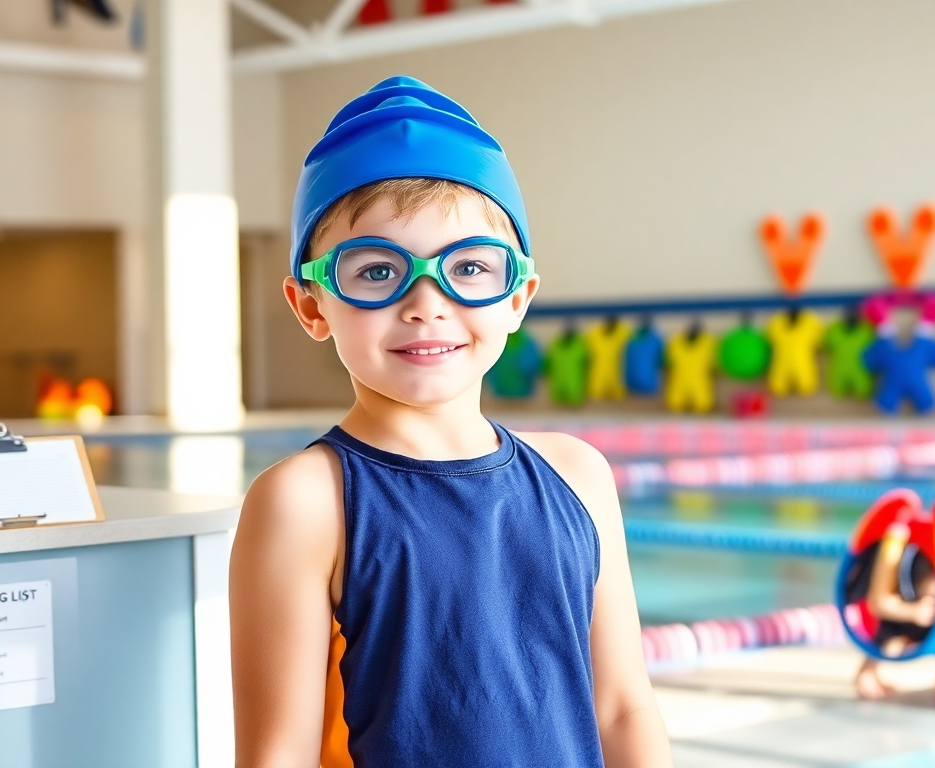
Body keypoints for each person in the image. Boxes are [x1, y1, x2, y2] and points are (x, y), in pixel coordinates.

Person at [229, 76, 671, 767]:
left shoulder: (577, 475)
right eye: (377, 272)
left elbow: (622, 708)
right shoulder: (306, 500)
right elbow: (275, 755)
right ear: (311, 305)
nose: (427, 303)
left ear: (518, 298)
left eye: (468, 267)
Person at [850, 523, 935, 699]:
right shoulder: (896, 551)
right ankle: (867, 673)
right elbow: (878, 603)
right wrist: (913, 612)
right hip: (904, 618)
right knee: (887, 637)